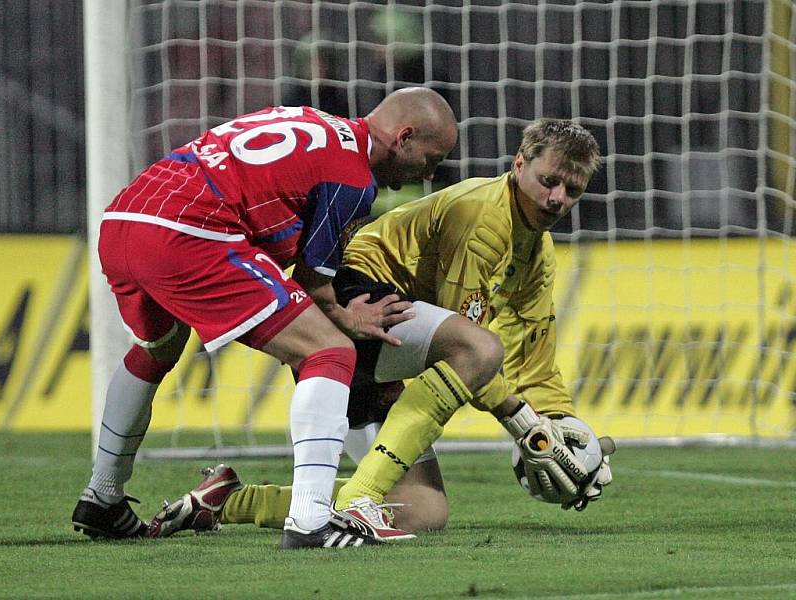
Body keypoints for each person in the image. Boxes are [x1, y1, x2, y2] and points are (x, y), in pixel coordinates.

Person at [148, 119, 612, 542]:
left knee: (422, 511)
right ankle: (359, 499)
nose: (557, 199)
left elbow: (533, 351)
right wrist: (525, 424)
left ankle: (224, 500)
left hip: (391, 336)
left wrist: (561, 422)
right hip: (358, 301)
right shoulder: (484, 217)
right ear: (518, 164)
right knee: (477, 348)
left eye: (572, 190)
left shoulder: (537, 252)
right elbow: (466, 349)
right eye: (548, 181)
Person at [71, 87, 458, 549]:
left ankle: (103, 496)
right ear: (404, 137)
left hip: (127, 218)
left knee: (156, 350)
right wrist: (348, 319)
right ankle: (312, 520)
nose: (431, 173)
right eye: (431, 158)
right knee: (330, 350)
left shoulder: (313, 121)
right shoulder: (353, 176)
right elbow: (316, 286)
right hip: (191, 231)